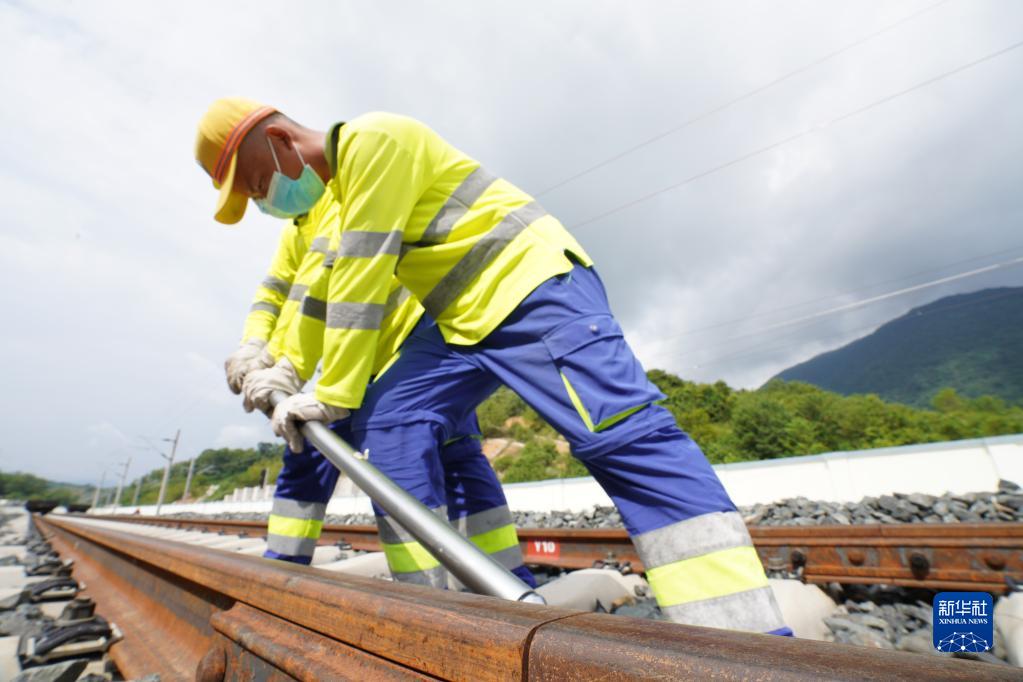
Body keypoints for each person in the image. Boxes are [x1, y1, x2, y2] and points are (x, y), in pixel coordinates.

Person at [195, 98, 790, 634]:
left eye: (256, 182)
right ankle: (430, 615)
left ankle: (747, 637)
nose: (264, 199)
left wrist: (330, 391)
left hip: (532, 291)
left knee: (624, 439)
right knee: (393, 425)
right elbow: (322, 292)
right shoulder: (340, 196)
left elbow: (361, 277)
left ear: (278, 139)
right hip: (457, 322)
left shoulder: (375, 141)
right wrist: (283, 364)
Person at [220, 153, 530, 585]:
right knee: (443, 460)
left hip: (396, 357)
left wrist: (285, 364)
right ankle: (280, 577)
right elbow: (273, 294)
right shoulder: (297, 229)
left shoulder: (342, 197)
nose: (261, 199)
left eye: (257, 187)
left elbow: (314, 298)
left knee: (436, 460)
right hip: (367, 363)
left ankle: (463, 593)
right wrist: (253, 345)